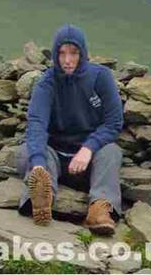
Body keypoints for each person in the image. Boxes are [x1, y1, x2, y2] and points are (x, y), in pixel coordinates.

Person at [16, 24, 124, 236]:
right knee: (27, 152)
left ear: (83, 53)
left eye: (73, 53)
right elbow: (37, 124)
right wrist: (38, 164)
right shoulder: (46, 83)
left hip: (88, 161)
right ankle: (40, 199)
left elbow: (113, 123)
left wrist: (88, 148)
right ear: (55, 55)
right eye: (62, 53)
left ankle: (100, 210)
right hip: (54, 156)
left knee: (111, 152)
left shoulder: (100, 77)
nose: (67, 60)